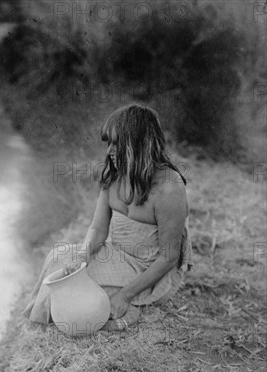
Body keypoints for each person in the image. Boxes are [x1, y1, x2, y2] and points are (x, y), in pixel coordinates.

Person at [23, 104, 193, 331]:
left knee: (80, 285)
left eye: (116, 143)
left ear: (138, 144)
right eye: (109, 143)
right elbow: (98, 229)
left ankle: (123, 310)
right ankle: (44, 319)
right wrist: (82, 255)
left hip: (149, 269)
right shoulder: (114, 176)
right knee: (59, 258)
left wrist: (125, 294)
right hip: (117, 255)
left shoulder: (170, 187)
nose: (110, 150)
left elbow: (169, 257)